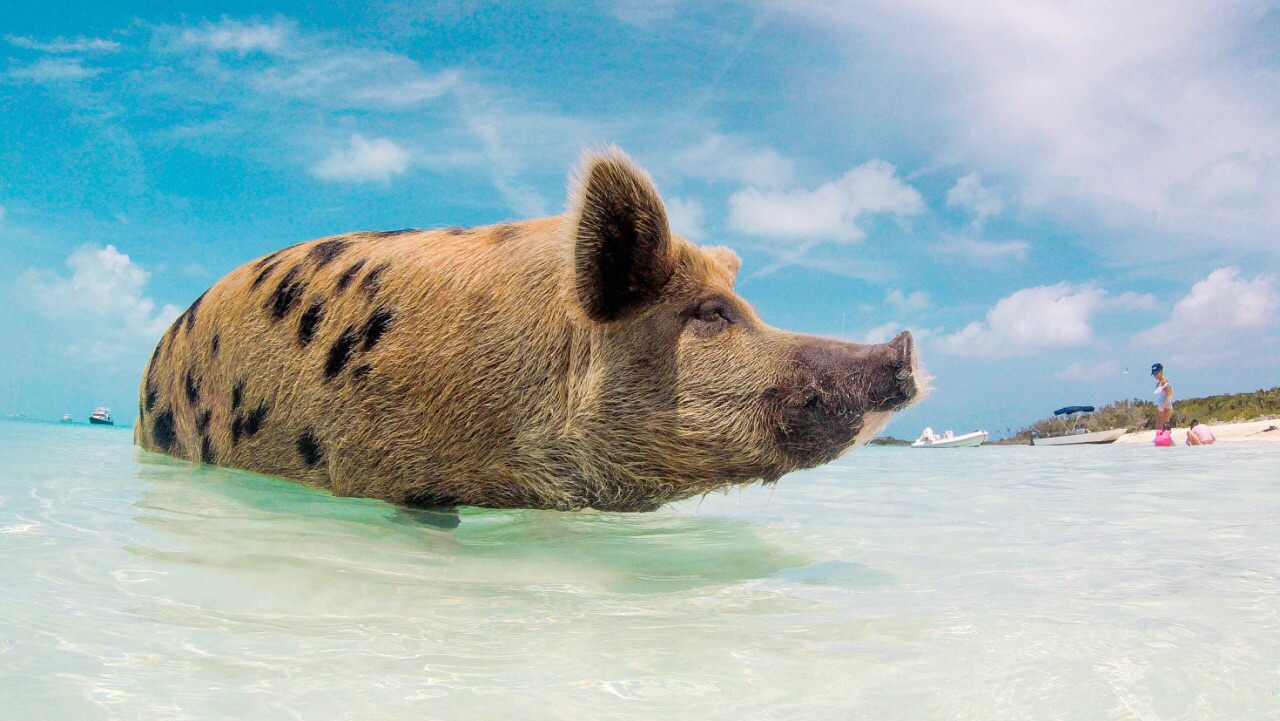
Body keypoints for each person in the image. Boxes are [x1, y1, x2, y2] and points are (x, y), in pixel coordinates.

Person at [1151, 363, 1173, 429]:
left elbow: (1169, 396)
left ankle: (1168, 439)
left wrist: (1163, 408)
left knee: (1164, 427)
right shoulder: (1158, 383)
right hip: (1160, 407)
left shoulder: (1165, 382)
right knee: (1158, 428)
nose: (1155, 375)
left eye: (1156, 373)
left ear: (1161, 371)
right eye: (1154, 373)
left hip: (1166, 407)